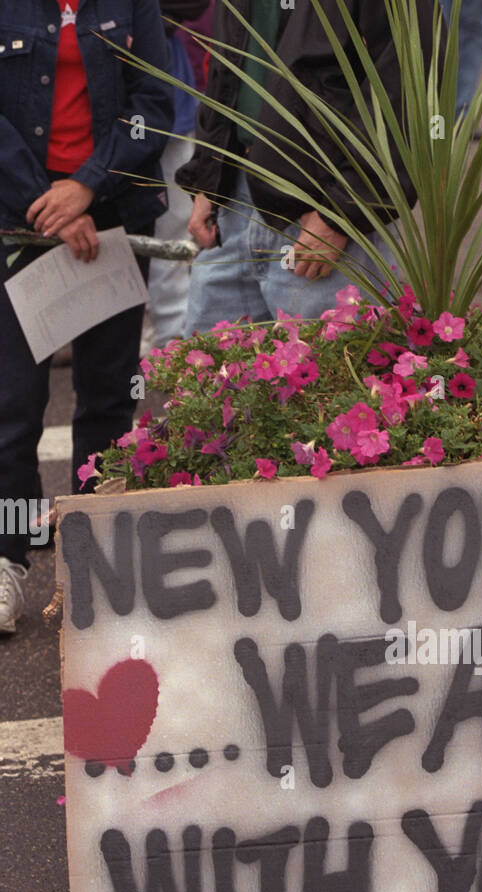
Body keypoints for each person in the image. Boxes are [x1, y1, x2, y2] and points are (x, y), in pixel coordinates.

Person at [0, 0, 174, 636]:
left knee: (107, 399)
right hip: (19, 217)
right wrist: (47, 205)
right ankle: (8, 557)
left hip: (114, 214)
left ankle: (90, 560)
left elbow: (156, 102)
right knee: (12, 407)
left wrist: (89, 186)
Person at [178, 0, 442, 333]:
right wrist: (208, 174)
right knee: (210, 379)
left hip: (323, 206)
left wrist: (342, 211)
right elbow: (229, 57)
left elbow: (410, 85)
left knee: (325, 377)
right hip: (234, 197)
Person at [146, 2, 211, 348]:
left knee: (173, 221)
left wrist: (140, 14)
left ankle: (173, 335)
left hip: (162, 87)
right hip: (76, 104)